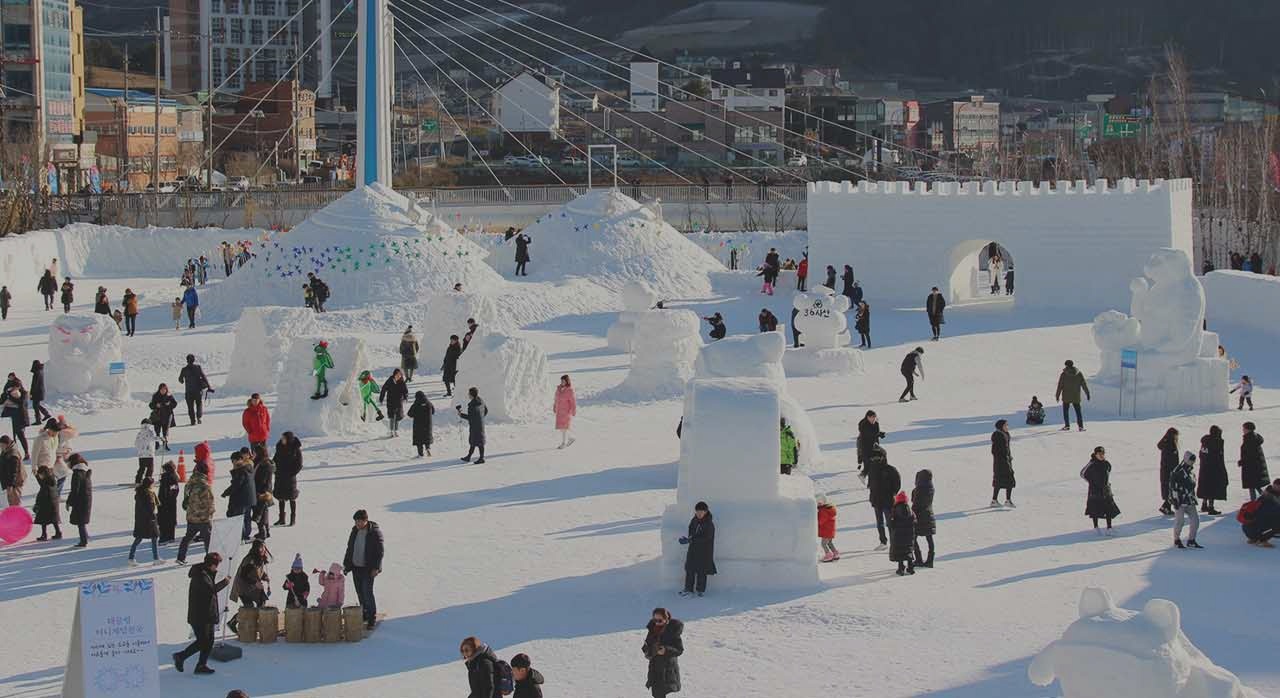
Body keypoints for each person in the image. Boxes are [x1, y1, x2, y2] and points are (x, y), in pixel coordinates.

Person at [172, 552, 230, 676]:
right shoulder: (200, 576)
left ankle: (201, 665)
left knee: (209, 640)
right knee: (202, 641)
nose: (217, 567)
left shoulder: (206, 573)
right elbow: (211, 590)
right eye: (216, 565)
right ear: (211, 564)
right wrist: (225, 582)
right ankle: (180, 656)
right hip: (199, 615)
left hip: (207, 613)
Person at [344, 509, 384, 630]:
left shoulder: (374, 532)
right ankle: (364, 614)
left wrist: (376, 567)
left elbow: (380, 552)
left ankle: (372, 618)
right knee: (360, 593)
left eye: (360, 521)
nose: (357, 524)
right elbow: (349, 548)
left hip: (368, 569)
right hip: (356, 567)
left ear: (366, 520)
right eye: (356, 521)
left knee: (367, 593)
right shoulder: (354, 531)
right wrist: (347, 565)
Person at [228, 539, 271, 632]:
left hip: (254, 586)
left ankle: (259, 624)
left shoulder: (260, 558)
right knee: (249, 607)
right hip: (243, 586)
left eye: (264, 547)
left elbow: (257, 571)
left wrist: (264, 576)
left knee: (261, 602)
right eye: (262, 547)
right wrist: (255, 583)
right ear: (257, 548)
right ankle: (233, 621)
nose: (264, 549)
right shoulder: (249, 560)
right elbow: (243, 576)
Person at [176, 462, 215, 564]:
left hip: (191, 515)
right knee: (208, 541)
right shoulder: (205, 485)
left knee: (188, 537)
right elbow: (209, 502)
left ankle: (180, 557)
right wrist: (211, 513)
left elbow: (186, 499)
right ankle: (210, 561)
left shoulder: (190, 483)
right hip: (203, 518)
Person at [642, 608, 683, 698]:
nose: (657, 623)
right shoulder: (652, 629)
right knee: (656, 694)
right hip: (654, 667)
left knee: (662, 692)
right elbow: (646, 644)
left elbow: (679, 650)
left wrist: (666, 650)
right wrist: (647, 650)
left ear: (666, 619)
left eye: (659, 620)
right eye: (655, 620)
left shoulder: (672, 631)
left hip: (667, 669)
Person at [866, 445, 900, 549]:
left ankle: (894, 542)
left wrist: (893, 493)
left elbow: (897, 483)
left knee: (890, 523)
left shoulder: (890, 470)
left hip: (887, 500)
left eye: (877, 457)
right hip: (876, 500)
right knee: (879, 523)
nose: (875, 459)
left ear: (883, 457)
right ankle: (883, 542)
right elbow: (870, 483)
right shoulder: (872, 469)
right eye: (873, 458)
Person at [1081, 446, 1120, 535]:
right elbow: (1082, 474)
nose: (1101, 456)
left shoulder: (1107, 464)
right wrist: (1091, 482)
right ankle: (1096, 527)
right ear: (1095, 454)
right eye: (1099, 454)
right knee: (1095, 509)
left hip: (1106, 490)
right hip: (1094, 491)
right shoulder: (1092, 463)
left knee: (1109, 508)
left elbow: (1108, 472)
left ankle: (1109, 528)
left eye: (1103, 454)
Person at [680, 501, 716, 596]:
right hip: (693, 549)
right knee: (690, 569)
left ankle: (700, 590)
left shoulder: (709, 524)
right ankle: (688, 589)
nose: (699, 514)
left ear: (706, 512)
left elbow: (706, 538)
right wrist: (688, 539)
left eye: (701, 512)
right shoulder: (694, 520)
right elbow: (691, 531)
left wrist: (691, 540)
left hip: (704, 551)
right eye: (697, 512)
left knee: (701, 571)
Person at [1170, 451, 1203, 549]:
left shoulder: (1190, 471)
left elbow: (1192, 484)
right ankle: (1177, 540)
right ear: (1186, 459)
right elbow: (1172, 486)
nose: (1193, 462)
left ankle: (1191, 540)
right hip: (1180, 501)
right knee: (1180, 521)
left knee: (1195, 520)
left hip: (1189, 500)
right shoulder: (1177, 471)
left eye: (1193, 460)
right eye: (1191, 460)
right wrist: (1175, 499)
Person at [222, 451, 256, 542]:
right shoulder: (248, 467)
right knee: (246, 517)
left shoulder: (241, 470)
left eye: (232, 461)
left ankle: (242, 536)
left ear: (236, 460)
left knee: (239, 518)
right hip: (249, 498)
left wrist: (226, 492)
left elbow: (236, 484)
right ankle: (246, 535)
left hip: (241, 499)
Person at [129, 477, 161, 564]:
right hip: (149, 519)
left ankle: (131, 558)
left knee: (139, 539)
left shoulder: (140, 492)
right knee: (154, 537)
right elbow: (150, 508)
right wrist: (153, 517)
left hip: (140, 519)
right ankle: (156, 558)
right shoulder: (148, 494)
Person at [272, 432, 302, 526]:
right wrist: (274, 469)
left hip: (290, 477)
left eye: (284, 438)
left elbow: (299, 464)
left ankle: (292, 519)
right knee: (281, 497)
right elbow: (275, 460)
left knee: (291, 497)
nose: (282, 440)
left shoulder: (296, 449)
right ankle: (281, 518)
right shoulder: (279, 447)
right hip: (280, 476)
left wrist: (291, 473)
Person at [1197, 425, 1228, 516]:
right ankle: (1211, 507)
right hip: (1214, 468)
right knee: (1212, 487)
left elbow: (1201, 454)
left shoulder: (1205, 442)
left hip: (1204, 467)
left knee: (1205, 486)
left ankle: (1204, 504)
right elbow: (1219, 457)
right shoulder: (1217, 442)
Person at [1241, 480, 1280, 546]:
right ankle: (1262, 540)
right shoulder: (1269, 499)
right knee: (1276, 523)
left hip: (1247, 528)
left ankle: (1254, 538)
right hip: (1255, 529)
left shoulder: (1265, 496)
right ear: (1275, 486)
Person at [1054, 360, 1090, 431]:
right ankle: (1081, 426)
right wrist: (1087, 393)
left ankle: (1067, 426)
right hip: (1076, 396)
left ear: (1066, 365)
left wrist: (1057, 396)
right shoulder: (1079, 373)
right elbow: (1084, 385)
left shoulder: (1064, 374)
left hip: (1066, 396)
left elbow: (1060, 386)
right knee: (1078, 412)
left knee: (1066, 411)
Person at [911, 469, 936, 568]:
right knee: (929, 538)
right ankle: (930, 560)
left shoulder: (918, 490)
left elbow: (915, 503)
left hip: (920, 516)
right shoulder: (931, 488)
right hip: (929, 515)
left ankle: (918, 558)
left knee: (913, 537)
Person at [66, 453, 92, 547]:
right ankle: (85, 536)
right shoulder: (85, 472)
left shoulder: (77, 474)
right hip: (86, 500)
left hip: (80, 501)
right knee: (82, 521)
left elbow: (74, 490)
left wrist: (69, 502)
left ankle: (83, 540)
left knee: (80, 522)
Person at [178, 354, 212, 426]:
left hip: (189, 391)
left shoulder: (184, 369)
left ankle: (192, 421)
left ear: (187, 360)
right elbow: (204, 376)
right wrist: (209, 386)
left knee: (190, 407)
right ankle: (199, 417)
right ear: (194, 360)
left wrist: (184, 379)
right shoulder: (198, 367)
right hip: (198, 391)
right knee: (199, 404)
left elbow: (180, 380)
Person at [457, 388, 488, 463]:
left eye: (469, 394)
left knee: (477, 442)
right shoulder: (481, 401)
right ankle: (469, 456)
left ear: (471, 395)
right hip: (480, 424)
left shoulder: (472, 406)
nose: (468, 395)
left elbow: (470, 418)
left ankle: (481, 458)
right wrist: (480, 418)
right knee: (475, 441)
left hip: (475, 426)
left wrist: (461, 415)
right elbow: (486, 410)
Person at [1240, 421, 1269, 501]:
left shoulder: (1250, 439)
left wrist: (1242, 461)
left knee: (1252, 485)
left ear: (1248, 429)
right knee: (1255, 485)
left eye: (1244, 428)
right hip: (1255, 465)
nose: (1243, 430)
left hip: (1252, 466)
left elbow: (1249, 454)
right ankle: (1267, 499)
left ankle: (1253, 503)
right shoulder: (1254, 437)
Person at [889, 491, 916, 576]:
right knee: (908, 550)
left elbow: (891, 523)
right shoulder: (910, 509)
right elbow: (914, 520)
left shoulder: (895, 509)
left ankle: (901, 568)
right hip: (909, 535)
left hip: (898, 535)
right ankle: (910, 568)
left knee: (899, 551)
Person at [33, 464, 62, 540]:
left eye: (40, 475)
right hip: (54, 503)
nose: (40, 476)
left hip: (46, 504)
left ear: (43, 474)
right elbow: (42, 483)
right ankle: (58, 532)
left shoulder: (46, 484)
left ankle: (44, 535)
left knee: (43, 520)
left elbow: (42, 493)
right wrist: (36, 476)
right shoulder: (52, 480)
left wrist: (37, 504)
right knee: (54, 520)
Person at [1, 381, 30, 460]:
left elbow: (21, 403)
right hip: (10, 418)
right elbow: (1, 401)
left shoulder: (24, 393)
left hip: (19, 417)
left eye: (15, 387)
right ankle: (13, 453)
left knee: (21, 435)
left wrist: (10, 396)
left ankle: (26, 452)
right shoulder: (7, 393)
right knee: (12, 436)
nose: (13, 389)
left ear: (19, 387)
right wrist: (6, 395)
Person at [251, 445, 274, 540]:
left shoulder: (264, 464)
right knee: (264, 511)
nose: (253, 454)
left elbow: (261, 479)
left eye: (254, 452)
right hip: (264, 490)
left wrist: (258, 491)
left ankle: (262, 532)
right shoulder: (261, 462)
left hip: (262, 491)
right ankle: (266, 530)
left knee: (258, 512)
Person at [991, 419, 1016, 507]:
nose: (1007, 427)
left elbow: (1006, 449)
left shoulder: (1005, 434)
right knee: (1005, 480)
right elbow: (995, 450)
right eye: (1006, 425)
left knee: (1004, 480)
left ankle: (1005, 500)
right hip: (1001, 462)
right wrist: (1004, 458)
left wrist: (1009, 456)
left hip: (1005, 460)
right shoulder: (998, 435)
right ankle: (998, 500)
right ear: (1001, 426)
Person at [404, 391, 435, 458]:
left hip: (418, 425)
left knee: (419, 440)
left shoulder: (415, 405)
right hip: (427, 424)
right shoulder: (429, 403)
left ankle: (420, 454)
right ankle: (428, 448)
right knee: (427, 437)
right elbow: (433, 411)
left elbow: (409, 414)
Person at [856, 410, 885, 480]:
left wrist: (879, 436)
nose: (874, 419)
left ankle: (878, 475)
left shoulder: (876, 424)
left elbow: (875, 433)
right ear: (868, 417)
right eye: (872, 417)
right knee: (867, 464)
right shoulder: (863, 424)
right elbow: (868, 434)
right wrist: (877, 434)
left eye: (875, 417)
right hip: (864, 446)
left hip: (873, 445)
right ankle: (863, 475)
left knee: (881, 456)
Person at [1157, 428, 1180, 515]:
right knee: (1171, 488)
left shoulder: (1166, 443)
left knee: (1169, 488)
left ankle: (1166, 506)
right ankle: (1166, 506)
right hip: (1170, 471)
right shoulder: (1170, 445)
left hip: (1165, 470)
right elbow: (1172, 460)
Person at [380, 369, 409, 437]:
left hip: (399, 402)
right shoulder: (390, 381)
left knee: (398, 417)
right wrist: (381, 398)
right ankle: (391, 431)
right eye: (397, 375)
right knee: (392, 416)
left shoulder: (402, 382)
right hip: (391, 401)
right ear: (394, 374)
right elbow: (384, 389)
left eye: (400, 375)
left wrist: (405, 397)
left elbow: (405, 391)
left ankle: (396, 431)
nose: (398, 376)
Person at [149, 384, 177, 451]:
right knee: (157, 431)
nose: (163, 391)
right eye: (161, 389)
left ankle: (165, 444)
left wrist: (169, 404)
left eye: (164, 389)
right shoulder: (155, 396)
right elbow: (151, 405)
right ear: (159, 389)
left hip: (166, 417)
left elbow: (175, 404)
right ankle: (157, 443)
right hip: (157, 417)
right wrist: (156, 405)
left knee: (165, 432)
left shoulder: (169, 396)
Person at [158, 461, 180, 543]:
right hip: (171, 503)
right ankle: (170, 536)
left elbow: (170, 491)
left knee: (164, 521)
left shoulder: (167, 478)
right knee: (170, 521)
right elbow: (175, 490)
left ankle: (164, 537)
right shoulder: (173, 478)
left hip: (165, 503)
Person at [553, 375, 576, 449]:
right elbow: (556, 399)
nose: (562, 382)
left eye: (564, 381)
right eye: (561, 381)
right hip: (559, 411)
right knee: (561, 428)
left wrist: (573, 410)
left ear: (567, 381)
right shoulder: (558, 389)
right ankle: (571, 438)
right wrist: (554, 406)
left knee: (564, 428)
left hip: (566, 411)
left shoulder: (569, 390)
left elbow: (573, 402)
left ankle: (564, 443)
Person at [0, 436, 23, 506]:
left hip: (14, 483)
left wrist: (10, 485)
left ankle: (17, 516)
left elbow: (14, 472)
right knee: (11, 502)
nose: (1, 447)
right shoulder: (6, 451)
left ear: (7, 444)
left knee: (15, 503)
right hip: (9, 481)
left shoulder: (13, 455)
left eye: (2, 445)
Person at [134, 419, 157, 483]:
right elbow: (153, 438)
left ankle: (138, 480)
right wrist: (162, 439)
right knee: (150, 469)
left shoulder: (139, 433)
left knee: (141, 468)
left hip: (141, 455)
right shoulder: (150, 432)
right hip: (149, 453)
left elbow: (136, 443)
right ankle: (148, 480)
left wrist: (139, 450)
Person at [817, 494, 838, 562]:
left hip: (827, 530)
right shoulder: (829, 509)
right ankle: (835, 553)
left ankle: (828, 555)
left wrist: (815, 521)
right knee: (829, 543)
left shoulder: (823, 511)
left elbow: (821, 521)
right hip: (830, 530)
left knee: (823, 544)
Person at [29, 360, 51, 425]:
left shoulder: (37, 373)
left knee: (35, 406)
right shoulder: (40, 371)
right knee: (36, 405)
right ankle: (46, 414)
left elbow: (34, 385)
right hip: (40, 391)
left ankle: (38, 420)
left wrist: (31, 393)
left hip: (37, 392)